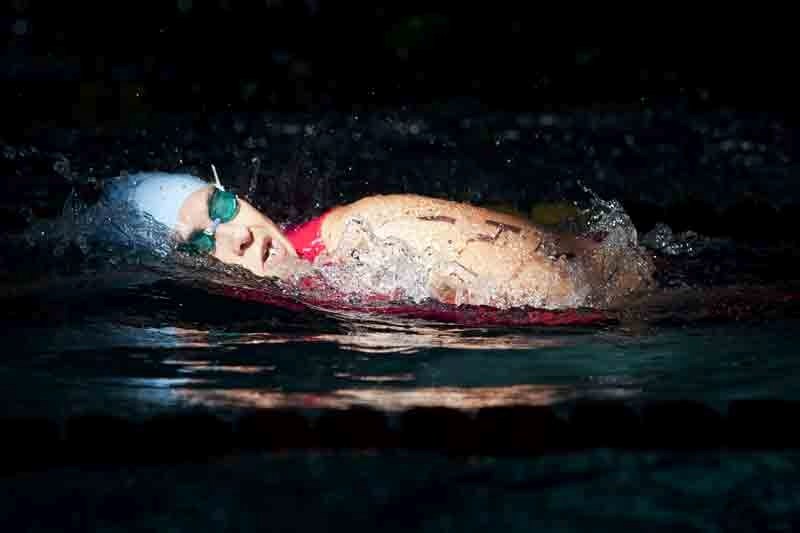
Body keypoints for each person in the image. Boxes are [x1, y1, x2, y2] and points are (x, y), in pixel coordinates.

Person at [99, 169, 655, 310]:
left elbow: (581, 286)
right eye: (201, 243)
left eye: (221, 206)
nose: (240, 236)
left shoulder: (371, 232)